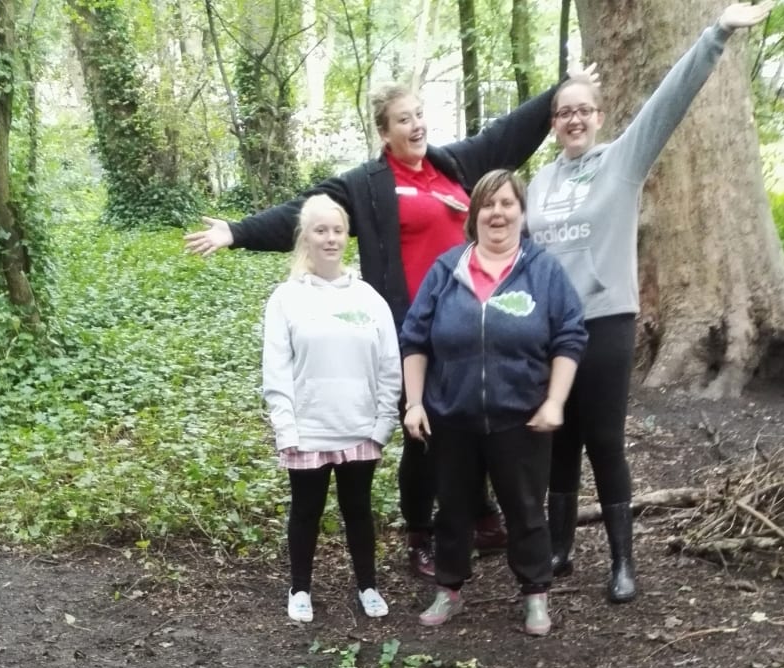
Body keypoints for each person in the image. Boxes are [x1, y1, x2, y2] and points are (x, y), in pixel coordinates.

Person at [186, 72, 594, 580]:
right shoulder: (367, 185)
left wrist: (561, 91)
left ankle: (480, 515)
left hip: (471, 324)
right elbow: (306, 212)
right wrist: (238, 231)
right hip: (414, 328)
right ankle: (420, 533)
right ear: (384, 132)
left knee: (472, 419)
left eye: (419, 115)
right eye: (404, 120)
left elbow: (506, 134)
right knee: (424, 434)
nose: (416, 125)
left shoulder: (451, 164)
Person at [526, 1, 774, 603]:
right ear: (553, 123)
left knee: (604, 441)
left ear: (599, 116)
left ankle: (622, 561)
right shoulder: (539, 183)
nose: (574, 119)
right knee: (559, 442)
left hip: (605, 321)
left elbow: (669, 101)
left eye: (583, 110)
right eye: (564, 112)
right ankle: (560, 548)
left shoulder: (622, 161)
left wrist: (716, 34)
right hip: (550, 330)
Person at [401, 170, 585, 638]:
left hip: (521, 417)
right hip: (451, 416)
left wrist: (555, 401)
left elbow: (569, 336)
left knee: (526, 509)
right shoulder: (447, 270)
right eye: (488, 204)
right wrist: (415, 403)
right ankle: (449, 590)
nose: (497, 213)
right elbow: (415, 339)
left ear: (522, 213)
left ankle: (535, 594)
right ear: (474, 214)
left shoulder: (543, 271)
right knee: (453, 508)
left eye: (507, 204)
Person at [261, 195, 401, 623]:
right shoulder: (286, 299)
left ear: (347, 236)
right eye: (320, 230)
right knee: (306, 512)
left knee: (358, 511)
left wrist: (382, 424)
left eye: (337, 230)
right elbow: (276, 370)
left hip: (359, 430)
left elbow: (390, 366)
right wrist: (287, 429)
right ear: (305, 236)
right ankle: (300, 589)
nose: (330, 238)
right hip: (308, 432)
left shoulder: (369, 298)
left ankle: (368, 586)